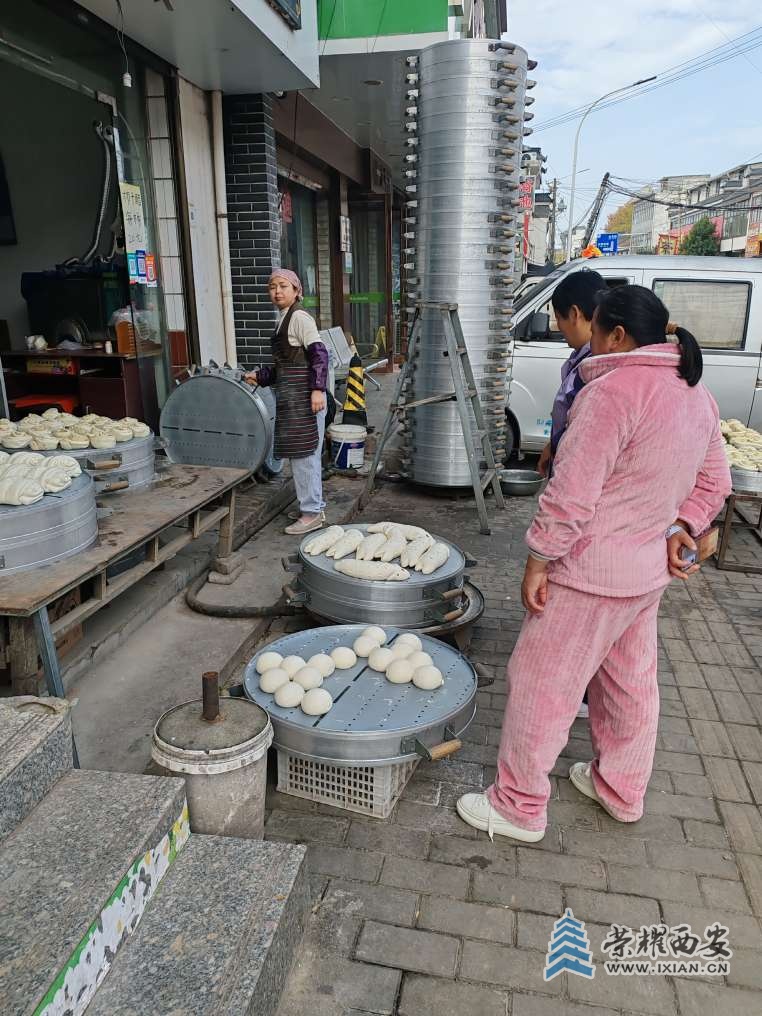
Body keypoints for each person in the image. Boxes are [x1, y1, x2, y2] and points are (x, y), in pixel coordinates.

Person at [456, 284, 731, 842]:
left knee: (541, 683)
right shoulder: (693, 390)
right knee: (628, 684)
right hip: (646, 574)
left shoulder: (613, 393)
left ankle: (519, 805)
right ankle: (621, 789)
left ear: (617, 335)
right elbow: (714, 482)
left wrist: (539, 558)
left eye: (597, 331)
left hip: (588, 574)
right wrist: (682, 528)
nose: (589, 343)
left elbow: (572, 496)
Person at [246, 269, 328, 536]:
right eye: (272, 287)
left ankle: (312, 513)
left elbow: (319, 355)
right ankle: (310, 507)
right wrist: (259, 376)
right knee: (300, 454)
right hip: (292, 397)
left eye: (283, 286)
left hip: (304, 399)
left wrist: (318, 390)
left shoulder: (300, 317)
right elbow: (285, 366)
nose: (277, 291)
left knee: (305, 456)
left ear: (296, 290)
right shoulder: (283, 319)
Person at [537, 269, 604, 478]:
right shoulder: (581, 360)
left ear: (575, 314)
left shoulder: (595, 368)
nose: (559, 327)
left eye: (558, 318)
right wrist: (553, 445)